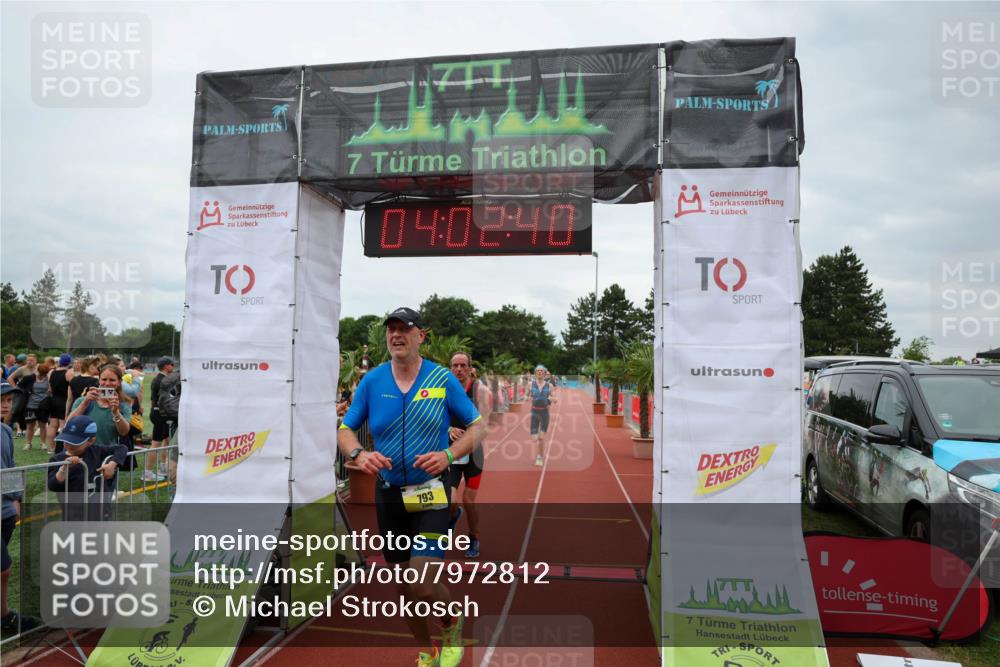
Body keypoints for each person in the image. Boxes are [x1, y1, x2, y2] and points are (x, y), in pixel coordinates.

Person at [337, 307, 484, 667]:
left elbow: (478, 427)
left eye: (405, 328)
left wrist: (449, 455)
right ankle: (425, 649)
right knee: (404, 586)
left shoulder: (441, 378)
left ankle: (451, 624)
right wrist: (358, 452)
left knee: (421, 579)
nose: (397, 335)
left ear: (422, 336)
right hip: (388, 495)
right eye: (392, 329)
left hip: (431, 491)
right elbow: (345, 428)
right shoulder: (373, 381)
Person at [1, 382, 41, 635]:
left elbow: (12, 467)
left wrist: (17, 499)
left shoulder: (5, 430)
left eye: (8, 399)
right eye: (1, 399)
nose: (6, 404)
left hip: (5, 511)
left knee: (2, 570)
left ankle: (3, 617)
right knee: (3, 568)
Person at [446, 352, 491, 559]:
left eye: (463, 365)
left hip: (474, 453)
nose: (459, 369)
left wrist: (468, 438)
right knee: (450, 500)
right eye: (455, 365)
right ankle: (454, 515)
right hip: (452, 453)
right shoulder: (443, 389)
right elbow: (437, 418)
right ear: (450, 368)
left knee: (469, 500)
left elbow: (483, 425)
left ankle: (474, 536)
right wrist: (448, 430)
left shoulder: (480, 390)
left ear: (470, 368)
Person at [47, 415, 127, 520]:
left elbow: (122, 448)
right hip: (74, 514)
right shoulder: (57, 459)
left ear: (91, 441)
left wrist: (112, 464)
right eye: (66, 441)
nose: (69, 445)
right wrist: (64, 468)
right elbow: (52, 485)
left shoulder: (96, 451)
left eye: (75, 442)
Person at [66, 365, 132, 448]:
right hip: (83, 452)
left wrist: (116, 412)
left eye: (112, 380)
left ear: (119, 382)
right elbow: (69, 423)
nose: (107, 383)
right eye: (104, 379)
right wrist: (85, 403)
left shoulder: (123, 404)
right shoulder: (82, 401)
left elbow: (124, 432)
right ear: (99, 380)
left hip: (107, 453)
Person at [146, 357, 175, 482]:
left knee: (167, 440)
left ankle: (163, 467)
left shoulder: (157, 378)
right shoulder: (164, 380)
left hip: (157, 412)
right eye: (171, 365)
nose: (173, 367)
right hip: (160, 414)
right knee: (155, 444)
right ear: (166, 366)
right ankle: (147, 473)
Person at [528, 364, 555, 467]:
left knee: (541, 438)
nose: (540, 372)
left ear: (545, 373)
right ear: (535, 373)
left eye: (541, 371)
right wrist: (527, 397)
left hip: (544, 413)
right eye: (538, 371)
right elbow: (527, 395)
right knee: (535, 438)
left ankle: (539, 457)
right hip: (534, 412)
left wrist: (553, 399)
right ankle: (539, 453)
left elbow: (554, 398)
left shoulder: (550, 386)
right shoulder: (530, 384)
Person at [24, 363, 52, 452]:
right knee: (29, 426)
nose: (40, 375)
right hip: (31, 405)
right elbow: (21, 386)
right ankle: (28, 443)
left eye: (43, 373)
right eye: (40, 372)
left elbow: (51, 391)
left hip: (43, 406)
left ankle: (43, 444)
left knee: (43, 425)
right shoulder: (31, 378)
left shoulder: (48, 379)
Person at [47, 354, 73, 446]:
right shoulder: (69, 373)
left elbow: (49, 389)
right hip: (64, 401)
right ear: (69, 362)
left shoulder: (51, 372)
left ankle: (51, 447)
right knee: (63, 424)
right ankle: (61, 446)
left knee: (52, 425)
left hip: (53, 400)